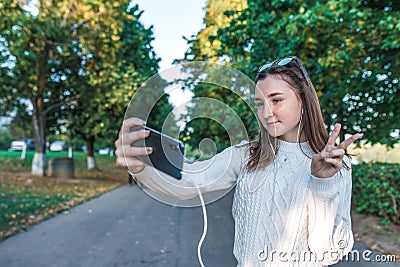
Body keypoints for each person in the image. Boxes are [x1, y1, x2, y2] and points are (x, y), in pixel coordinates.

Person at [115, 56, 363, 266]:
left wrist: (322, 183)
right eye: (259, 104)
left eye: (276, 100)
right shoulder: (246, 155)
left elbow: (327, 252)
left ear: (303, 101)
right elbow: (188, 183)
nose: (267, 113)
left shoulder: (336, 166)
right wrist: (141, 167)